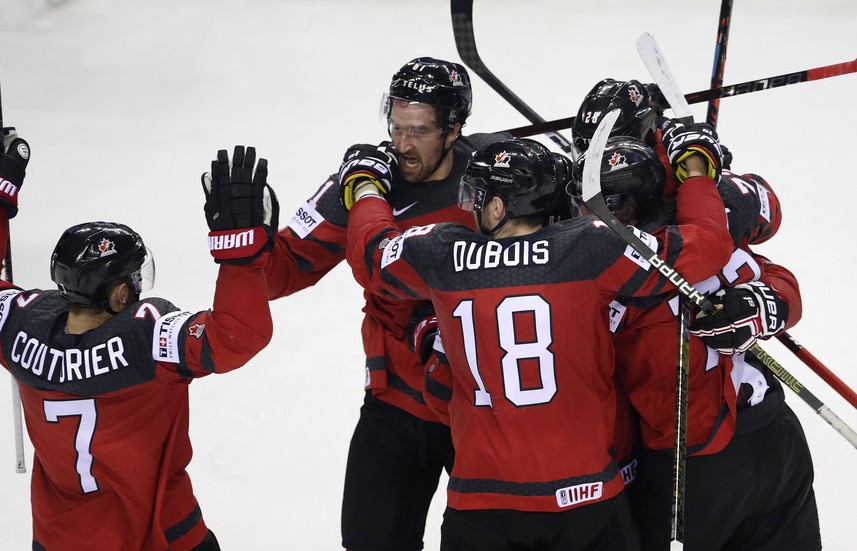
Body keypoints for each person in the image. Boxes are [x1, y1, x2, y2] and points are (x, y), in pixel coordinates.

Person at [342, 134, 734, 550]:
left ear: (497, 206)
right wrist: (695, 170)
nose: (470, 206)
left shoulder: (439, 253)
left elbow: (371, 254)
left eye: (477, 196)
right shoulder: (593, 246)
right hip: (586, 500)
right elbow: (707, 245)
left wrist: (365, 184)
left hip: (481, 507)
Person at [0, 132, 278, 551]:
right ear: (120, 293)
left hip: (59, 540)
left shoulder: (19, 327)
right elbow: (237, 334)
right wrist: (241, 257)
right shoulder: (146, 338)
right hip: (162, 535)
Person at [264, 57, 507, 551]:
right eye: (396, 126)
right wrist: (248, 242)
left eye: (418, 130)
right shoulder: (361, 182)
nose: (401, 144)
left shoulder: (495, 174)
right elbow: (280, 272)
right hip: (398, 403)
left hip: (485, 405)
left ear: (455, 127)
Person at [568, 82, 821, 549]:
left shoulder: (622, 257)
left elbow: (768, 225)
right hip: (769, 434)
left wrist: (763, 304)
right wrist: (699, 175)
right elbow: (771, 273)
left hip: (692, 460)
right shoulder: (702, 220)